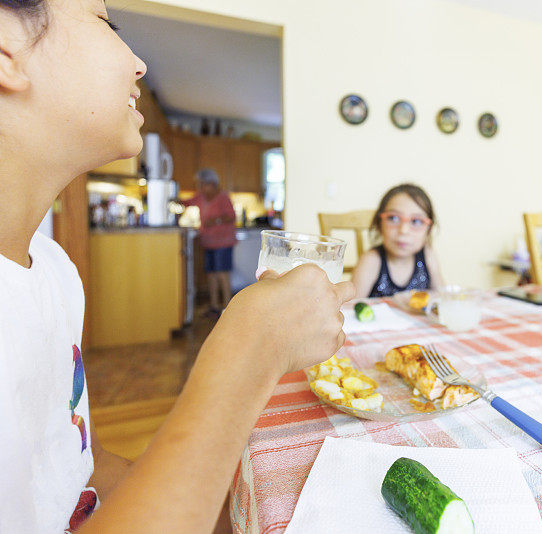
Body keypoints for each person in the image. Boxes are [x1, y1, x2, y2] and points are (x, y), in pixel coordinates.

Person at [0, 1, 353, 532]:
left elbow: (70, 474)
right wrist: (251, 346)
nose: (138, 63)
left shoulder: (52, 269)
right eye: (104, 21)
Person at [351, 183, 445, 298]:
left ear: (428, 230)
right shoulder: (371, 260)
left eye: (416, 221)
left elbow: (443, 299)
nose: (404, 230)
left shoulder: (428, 255)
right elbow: (350, 308)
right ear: (380, 224)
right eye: (393, 218)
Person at [184, 168, 236, 317]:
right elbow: (187, 202)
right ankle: (214, 306)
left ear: (212, 184)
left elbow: (231, 216)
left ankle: (227, 308)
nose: (200, 188)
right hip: (208, 242)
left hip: (223, 243)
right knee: (211, 274)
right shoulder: (201, 196)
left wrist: (215, 220)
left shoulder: (223, 197)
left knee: (222, 274)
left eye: (202, 184)